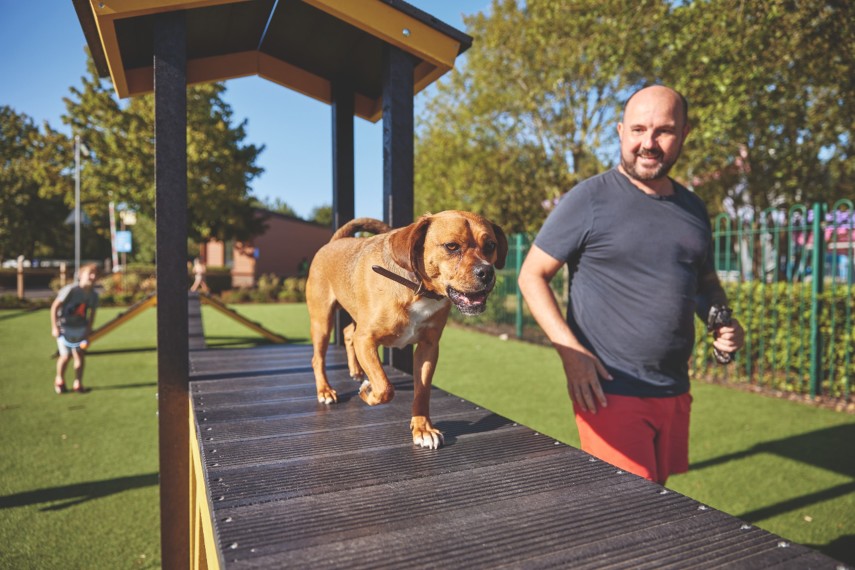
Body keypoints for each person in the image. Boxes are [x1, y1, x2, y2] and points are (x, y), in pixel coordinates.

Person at [518, 85, 744, 485]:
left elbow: (703, 280)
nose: (649, 143)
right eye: (638, 129)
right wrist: (571, 353)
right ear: (621, 131)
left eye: (663, 131)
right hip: (608, 387)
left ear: (685, 133)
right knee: (632, 512)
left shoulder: (692, 208)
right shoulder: (589, 198)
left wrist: (720, 319)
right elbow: (531, 274)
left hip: (674, 386)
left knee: (658, 493)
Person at [51, 263, 100, 394]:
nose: (93, 276)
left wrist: (88, 331)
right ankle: (59, 379)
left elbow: (92, 315)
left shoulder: (93, 295)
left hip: (80, 328)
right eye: (90, 273)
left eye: (95, 274)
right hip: (65, 328)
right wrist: (55, 327)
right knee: (65, 356)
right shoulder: (71, 290)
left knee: (79, 355)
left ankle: (78, 382)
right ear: (80, 275)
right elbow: (55, 307)